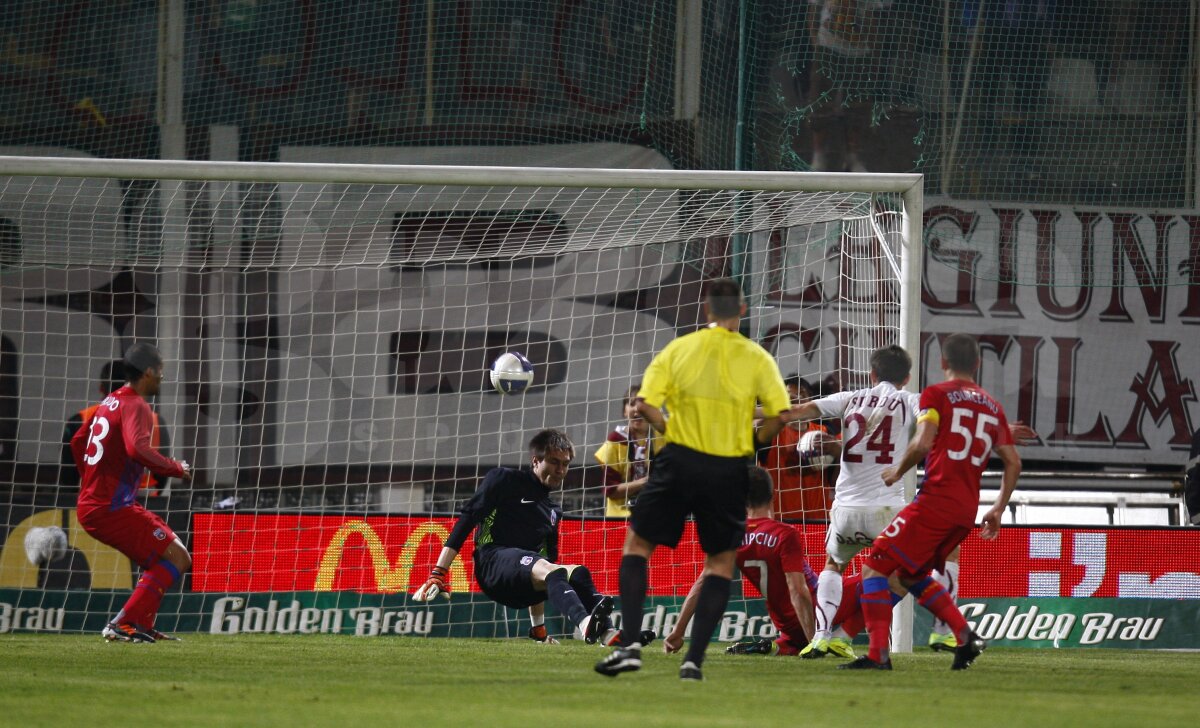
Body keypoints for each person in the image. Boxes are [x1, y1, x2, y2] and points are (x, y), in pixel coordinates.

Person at [594, 277, 794, 682]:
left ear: (705, 311)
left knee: (637, 545)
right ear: (742, 310)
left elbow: (646, 405)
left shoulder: (680, 348)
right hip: (728, 466)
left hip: (680, 459)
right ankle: (693, 662)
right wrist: (754, 439)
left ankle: (631, 645)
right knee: (719, 562)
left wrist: (670, 430)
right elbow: (781, 416)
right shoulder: (757, 358)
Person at [845, 333, 1021, 671]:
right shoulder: (993, 406)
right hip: (965, 510)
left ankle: (877, 655)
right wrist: (998, 507)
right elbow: (1014, 461)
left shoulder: (936, 394)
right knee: (910, 575)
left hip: (935, 501)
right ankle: (964, 635)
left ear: (942, 363)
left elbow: (924, 443)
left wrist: (897, 471)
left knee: (874, 566)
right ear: (978, 364)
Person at [414, 429, 618, 645]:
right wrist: (439, 572)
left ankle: (609, 633)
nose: (560, 470)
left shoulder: (552, 511)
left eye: (565, 464)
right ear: (536, 461)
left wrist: (539, 629)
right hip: (492, 565)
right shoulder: (504, 479)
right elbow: (467, 521)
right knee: (551, 569)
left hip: (521, 588)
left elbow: (543, 571)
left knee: (577, 573)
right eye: (554, 462)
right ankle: (585, 623)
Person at [783, 345, 917, 659]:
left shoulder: (848, 398)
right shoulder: (911, 400)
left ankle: (821, 636)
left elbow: (795, 412)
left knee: (834, 565)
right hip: (888, 510)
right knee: (910, 573)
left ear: (871, 374)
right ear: (907, 377)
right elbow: (943, 422)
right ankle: (846, 635)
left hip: (847, 509)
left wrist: (753, 413)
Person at [69, 342, 192, 643]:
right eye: (160, 371)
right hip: (110, 507)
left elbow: (77, 441)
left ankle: (140, 624)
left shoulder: (111, 401)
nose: (162, 377)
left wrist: (92, 480)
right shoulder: (136, 404)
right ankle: (122, 624)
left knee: (168, 557)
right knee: (178, 558)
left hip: (100, 503)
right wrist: (175, 468)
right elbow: (136, 448)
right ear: (149, 372)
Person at [663, 466, 817, 657]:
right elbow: (798, 590)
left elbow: (703, 583)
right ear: (773, 495)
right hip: (813, 615)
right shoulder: (785, 533)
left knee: (792, 643)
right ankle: (822, 640)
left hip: (786, 623)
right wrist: (815, 644)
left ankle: (774, 647)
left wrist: (678, 632)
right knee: (860, 582)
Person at [63, 359, 171, 496]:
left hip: (97, 504)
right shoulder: (156, 422)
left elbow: (67, 477)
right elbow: (162, 475)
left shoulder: (80, 421)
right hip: (144, 504)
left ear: (102, 388)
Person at [761, 376, 837, 523]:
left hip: (819, 522)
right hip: (780, 521)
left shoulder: (825, 434)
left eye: (802, 394)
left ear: (811, 401)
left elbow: (835, 480)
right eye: (790, 395)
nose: (797, 399)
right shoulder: (770, 434)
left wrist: (838, 452)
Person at [594, 384, 663, 518]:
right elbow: (610, 490)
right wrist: (643, 482)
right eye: (632, 404)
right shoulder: (615, 441)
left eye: (644, 404)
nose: (637, 408)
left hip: (656, 517)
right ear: (624, 411)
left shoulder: (662, 440)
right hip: (619, 520)